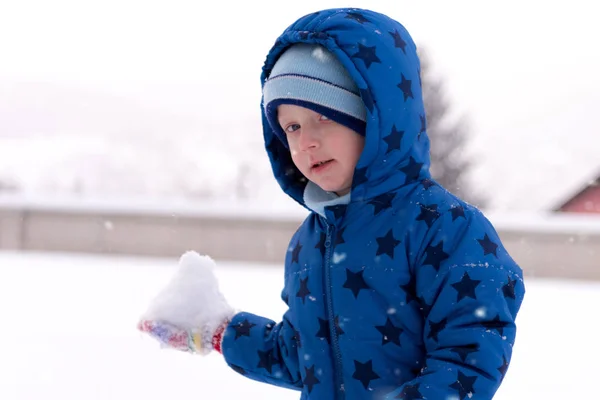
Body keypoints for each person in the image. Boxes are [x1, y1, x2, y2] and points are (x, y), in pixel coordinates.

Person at [138, 7, 525, 399]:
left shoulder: (446, 229)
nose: (306, 141)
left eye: (324, 117)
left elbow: (468, 361)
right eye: (291, 126)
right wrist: (221, 330)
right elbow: (301, 358)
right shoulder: (310, 241)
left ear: (374, 118)